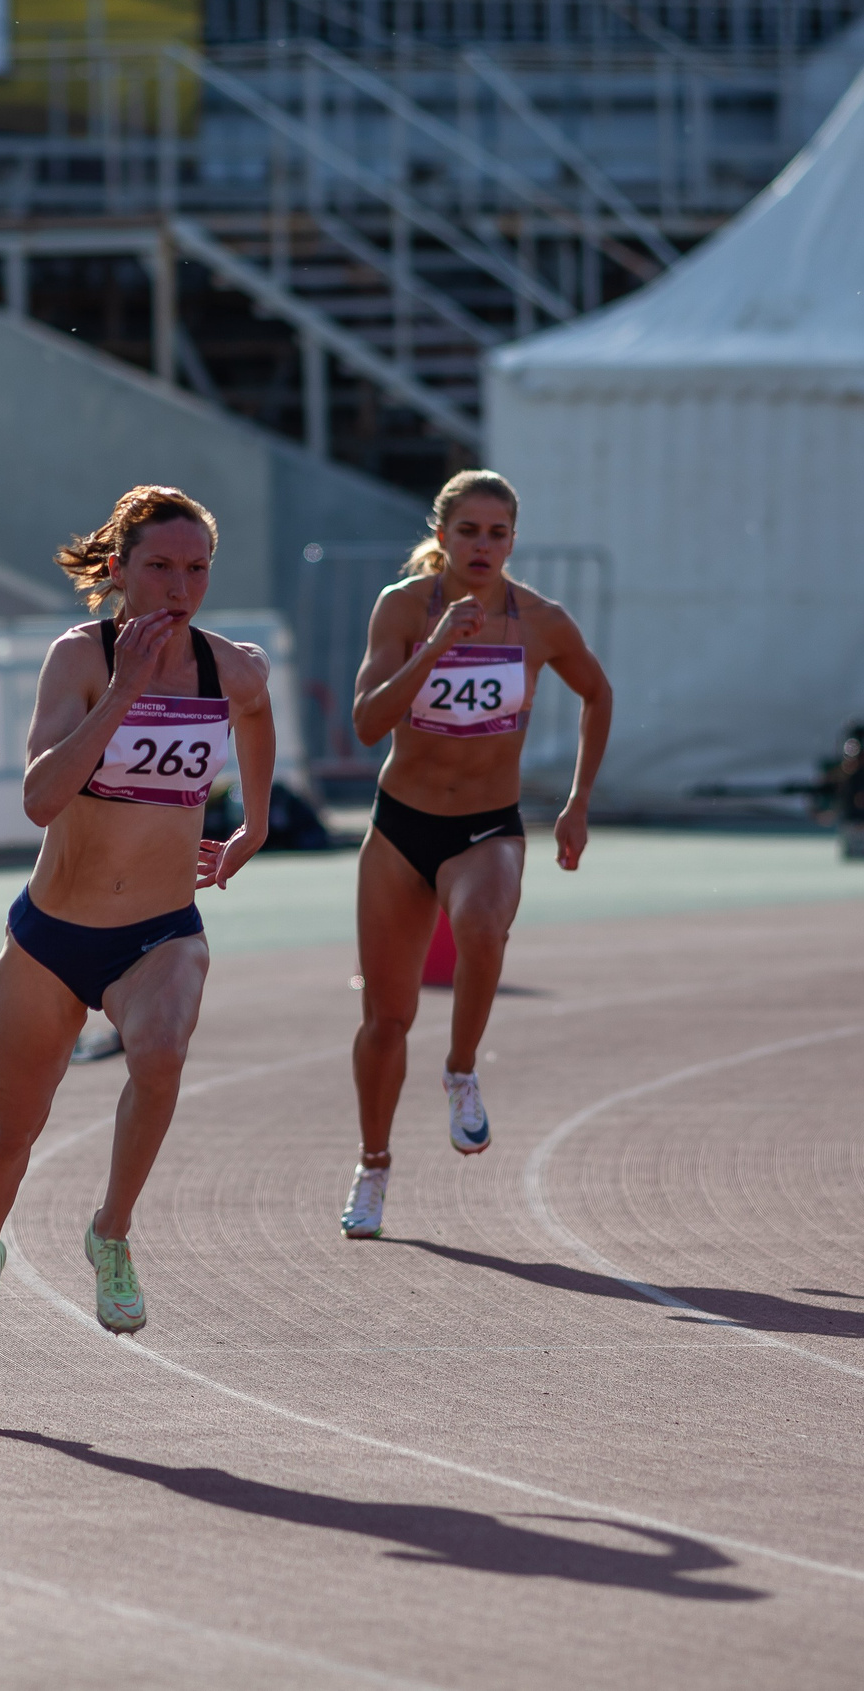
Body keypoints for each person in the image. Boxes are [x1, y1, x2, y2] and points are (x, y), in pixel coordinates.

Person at [0, 485, 275, 1379]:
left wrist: (255, 822)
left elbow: (257, 708)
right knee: (9, 1133)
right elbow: (41, 797)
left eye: (197, 568)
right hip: (54, 936)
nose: (179, 586)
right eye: (160, 567)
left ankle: (111, 1231)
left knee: (161, 1051)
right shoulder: (81, 658)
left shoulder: (227, 667)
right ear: (121, 569)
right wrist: (127, 687)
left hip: (160, 930)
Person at [339, 470, 612, 1240]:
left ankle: (461, 1068)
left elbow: (598, 693)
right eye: (469, 531)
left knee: (483, 926)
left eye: (498, 533)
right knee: (386, 1019)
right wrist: (433, 648)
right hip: (401, 829)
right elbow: (366, 722)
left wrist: (578, 801)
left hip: (488, 825)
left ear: (513, 540)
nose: (483, 546)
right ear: (443, 533)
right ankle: (374, 1164)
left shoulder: (541, 621)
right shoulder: (402, 608)